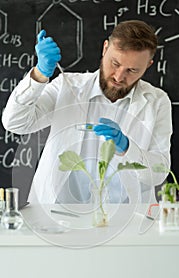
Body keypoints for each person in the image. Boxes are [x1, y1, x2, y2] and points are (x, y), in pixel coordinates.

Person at [2, 20, 172, 204]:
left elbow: (159, 172)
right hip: (58, 213)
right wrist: (39, 74)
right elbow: (15, 123)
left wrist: (127, 149)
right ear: (105, 49)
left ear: (148, 65)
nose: (119, 76)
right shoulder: (66, 86)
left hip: (123, 218)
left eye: (132, 70)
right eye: (115, 63)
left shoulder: (157, 102)